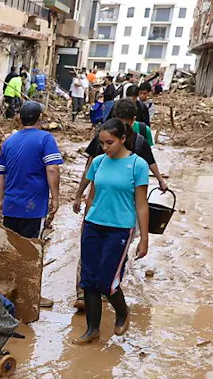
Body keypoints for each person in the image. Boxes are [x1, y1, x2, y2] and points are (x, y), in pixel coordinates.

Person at [71, 99, 167, 310]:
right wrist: (80, 195)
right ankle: (83, 293)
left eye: (126, 122)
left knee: (114, 258)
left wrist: (159, 179)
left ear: (133, 122)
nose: (106, 147)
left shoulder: (139, 145)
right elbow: (91, 169)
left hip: (122, 214)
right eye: (103, 144)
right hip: (99, 209)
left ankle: (110, 290)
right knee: (88, 256)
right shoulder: (104, 140)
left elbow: (147, 172)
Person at [69, 118, 150, 344]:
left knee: (107, 280)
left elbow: (142, 205)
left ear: (123, 139)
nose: (105, 148)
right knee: (89, 279)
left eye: (110, 142)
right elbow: (92, 195)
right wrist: (85, 220)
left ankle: (122, 312)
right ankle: (92, 329)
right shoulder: (98, 162)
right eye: (102, 143)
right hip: (94, 225)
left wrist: (144, 238)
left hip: (120, 229)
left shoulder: (138, 165)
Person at [0, 101, 63, 240]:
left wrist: (2, 199)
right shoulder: (46, 139)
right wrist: (55, 199)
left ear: (20, 119)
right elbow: (52, 169)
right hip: (34, 208)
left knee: (11, 248)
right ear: (40, 118)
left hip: (11, 207)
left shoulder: (9, 141)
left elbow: (0, 172)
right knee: (31, 250)